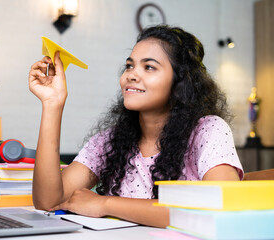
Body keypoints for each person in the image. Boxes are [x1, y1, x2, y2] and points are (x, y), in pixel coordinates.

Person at [28, 25, 243, 228]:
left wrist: (105, 204)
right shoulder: (110, 141)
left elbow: (222, 204)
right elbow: (48, 201)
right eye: (129, 65)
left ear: (180, 83)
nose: (131, 74)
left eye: (149, 67)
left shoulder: (207, 130)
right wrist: (52, 105)